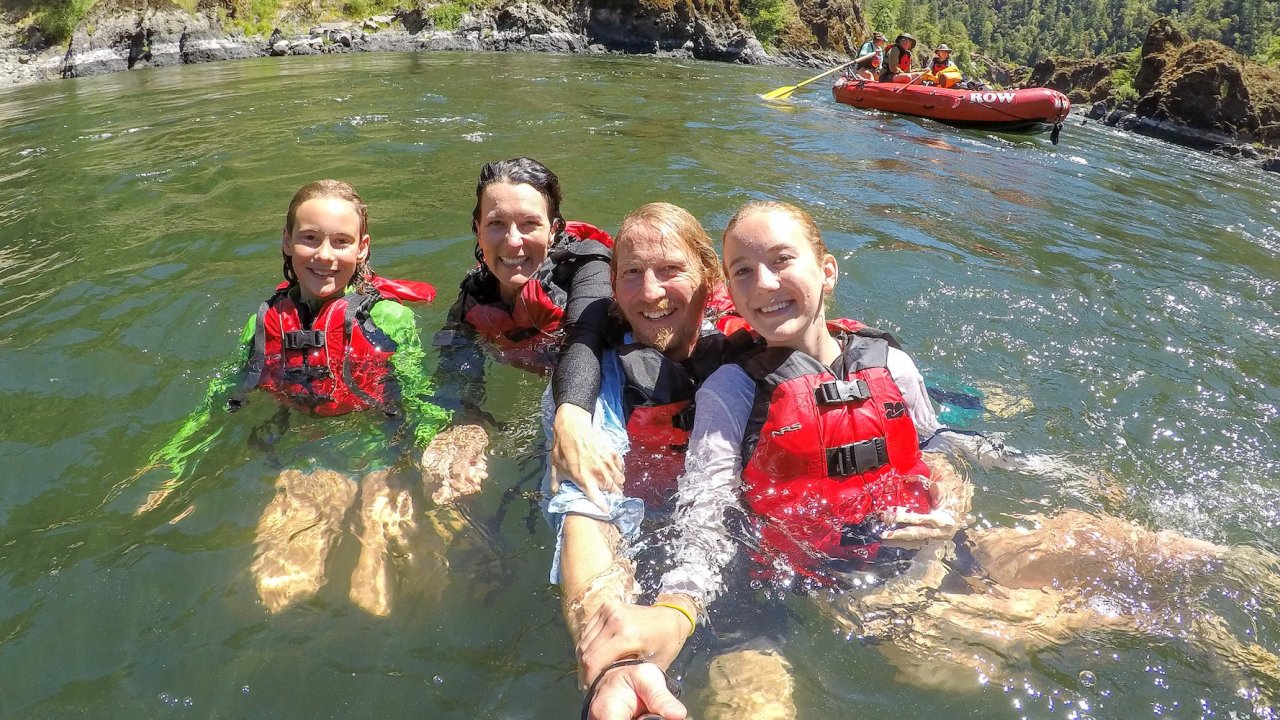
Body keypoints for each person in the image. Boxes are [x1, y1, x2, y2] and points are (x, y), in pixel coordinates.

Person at [578, 201, 1280, 719]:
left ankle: (1234, 588)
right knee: (947, 664)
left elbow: (939, 443)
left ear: (827, 271)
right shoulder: (734, 389)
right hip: (831, 578)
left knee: (1158, 550)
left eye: (781, 261)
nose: (764, 282)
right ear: (729, 289)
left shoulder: (888, 360)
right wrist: (678, 604)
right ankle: (1185, 629)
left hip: (928, 539)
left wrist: (968, 490)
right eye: (744, 271)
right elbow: (705, 508)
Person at [137, 179, 488, 616]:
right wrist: (176, 461)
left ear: (361, 249)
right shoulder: (263, 323)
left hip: (381, 447)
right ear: (287, 242)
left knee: (388, 591)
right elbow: (223, 398)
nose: (325, 255)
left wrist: (440, 450)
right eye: (310, 238)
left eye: (341, 241)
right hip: (305, 453)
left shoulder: (389, 318)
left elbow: (416, 394)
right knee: (279, 590)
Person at [539, 202, 746, 649]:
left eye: (670, 269)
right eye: (632, 273)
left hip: (732, 556)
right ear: (614, 288)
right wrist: (611, 646)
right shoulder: (600, 376)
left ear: (710, 281)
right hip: (641, 531)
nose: (650, 292)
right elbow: (588, 507)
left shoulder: (750, 350)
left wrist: (940, 458)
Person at [431, 157, 614, 450]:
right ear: (478, 229)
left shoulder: (589, 266)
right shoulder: (476, 294)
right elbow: (453, 367)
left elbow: (585, 339)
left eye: (529, 223)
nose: (513, 241)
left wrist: (572, 414)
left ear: (553, 229)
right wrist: (463, 425)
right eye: (496, 224)